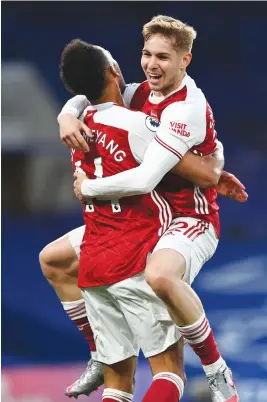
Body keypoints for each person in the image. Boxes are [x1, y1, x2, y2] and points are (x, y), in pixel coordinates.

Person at [40, 45, 247, 399]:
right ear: (113, 72)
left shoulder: (79, 125)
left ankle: (96, 353)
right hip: (134, 249)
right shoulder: (138, 124)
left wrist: (66, 113)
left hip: (93, 262)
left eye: (159, 56)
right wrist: (216, 170)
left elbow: (80, 102)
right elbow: (182, 170)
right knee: (169, 372)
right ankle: (216, 370)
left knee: (118, 384)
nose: (149, 65)